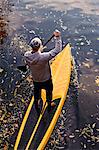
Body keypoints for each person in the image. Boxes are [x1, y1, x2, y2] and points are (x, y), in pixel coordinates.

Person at [24, 29, 62, 115]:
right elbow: (57, 50)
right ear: (40, 46)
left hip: (36, 80)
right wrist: (58, 37)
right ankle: (49, 104)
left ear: (31, 46)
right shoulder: (44, 57)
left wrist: (38, 52)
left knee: (37, 93)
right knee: (49, 93)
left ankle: (37, 104)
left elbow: (34, 55)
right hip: (46, 80)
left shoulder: (26, 55)